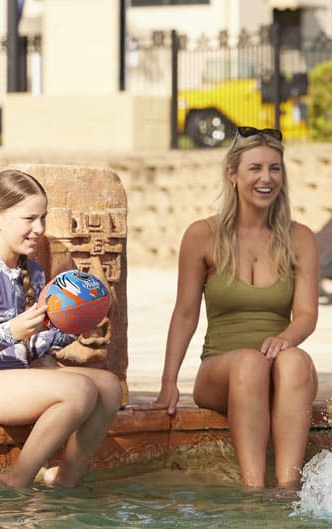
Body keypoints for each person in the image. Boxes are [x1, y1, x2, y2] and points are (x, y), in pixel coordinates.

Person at [135, 126, 319, 489]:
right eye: (255, 168)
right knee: (250, 361)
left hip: (279, 371)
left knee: (296, 359)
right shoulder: (202, 236)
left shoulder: (300, 238)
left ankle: (287, 491)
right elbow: (185, 313)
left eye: (275, 168)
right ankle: (253, 492)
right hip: (221, 372)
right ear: (231, 173)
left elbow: (307, 315)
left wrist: (285, 339)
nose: (266, 178)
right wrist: (168, 383)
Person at [0, 169, 122, 488]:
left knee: (108, 386)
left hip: (17, 375)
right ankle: (16, 478)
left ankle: (65, 480)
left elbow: (33, 348)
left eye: (43, 218)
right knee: (79, 390)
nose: (39, 228)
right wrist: (11, 332)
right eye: (29, 218)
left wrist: (79, 323)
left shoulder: (33, 271)